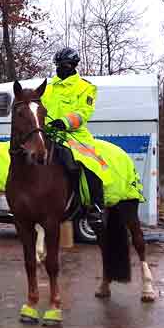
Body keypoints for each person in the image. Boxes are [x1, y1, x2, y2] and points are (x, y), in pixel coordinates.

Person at [43, 47, 106, 231]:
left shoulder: (86, 87)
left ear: (73, 66)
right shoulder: (48, 87)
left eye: (63, 65)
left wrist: (65, 122)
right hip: (47, 133)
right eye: (57, 65)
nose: (59, 69)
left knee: (91, 164)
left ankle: (95, 206)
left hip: (74, 135)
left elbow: (84, 112)